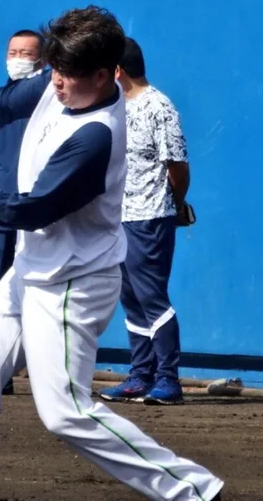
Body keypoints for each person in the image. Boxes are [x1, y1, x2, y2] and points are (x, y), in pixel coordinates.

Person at [0, 6, 224, 501]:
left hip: (72, 284)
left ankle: (196, 490)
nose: (55, 83)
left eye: (68, 75)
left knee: (66, 414)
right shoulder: (53, 83)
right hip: (30, 268)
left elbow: (29, 211)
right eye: (53, 70)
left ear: (105, 75)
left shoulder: (97, 136)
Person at [98, 37, 191, 405]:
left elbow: (178, 167)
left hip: (149, 217)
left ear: (117, 71)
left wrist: (176, 204)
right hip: (117, 218)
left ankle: (169, 380)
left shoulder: (159, 107)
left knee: (152, 296)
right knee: (131, 297)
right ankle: (141, 375)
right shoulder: (115, 107)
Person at [0, 29, 45, 396]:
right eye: (12, 51)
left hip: (37, 213)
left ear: (43, 60)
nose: (17, 57)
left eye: (26, 52)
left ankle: (44, 374)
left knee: (38, 293)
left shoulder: (50, 102)